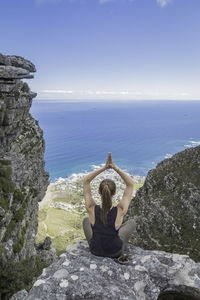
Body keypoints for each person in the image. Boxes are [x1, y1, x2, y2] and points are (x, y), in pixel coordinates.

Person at [82, 152, 136, 259]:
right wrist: (115, 168)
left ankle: (100, 239)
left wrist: (104, 167)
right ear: (114, 193)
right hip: (114, 252)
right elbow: (130, 184)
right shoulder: (120, 210)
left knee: (86, 221)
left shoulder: (91, 208)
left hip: (95, 250)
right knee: (132, 222)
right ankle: (114, 236)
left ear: (99, 192)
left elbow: (86, 181)